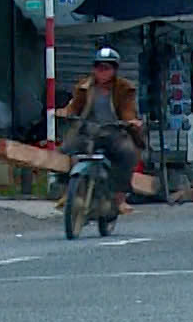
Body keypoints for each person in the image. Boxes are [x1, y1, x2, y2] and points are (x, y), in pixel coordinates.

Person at [57, 47, 143, 215]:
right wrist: (65, 112)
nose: (102, 72)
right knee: (65, 150)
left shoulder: (125, 88)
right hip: (88, 132)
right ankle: (68, 192)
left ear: (114, 70)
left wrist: (131, 121)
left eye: (107, 68)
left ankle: (119, 198)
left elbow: (128, 111)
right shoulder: (84, 86)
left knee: (127, 153)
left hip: (114, 132)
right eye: (99, 67)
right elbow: (74, 107)